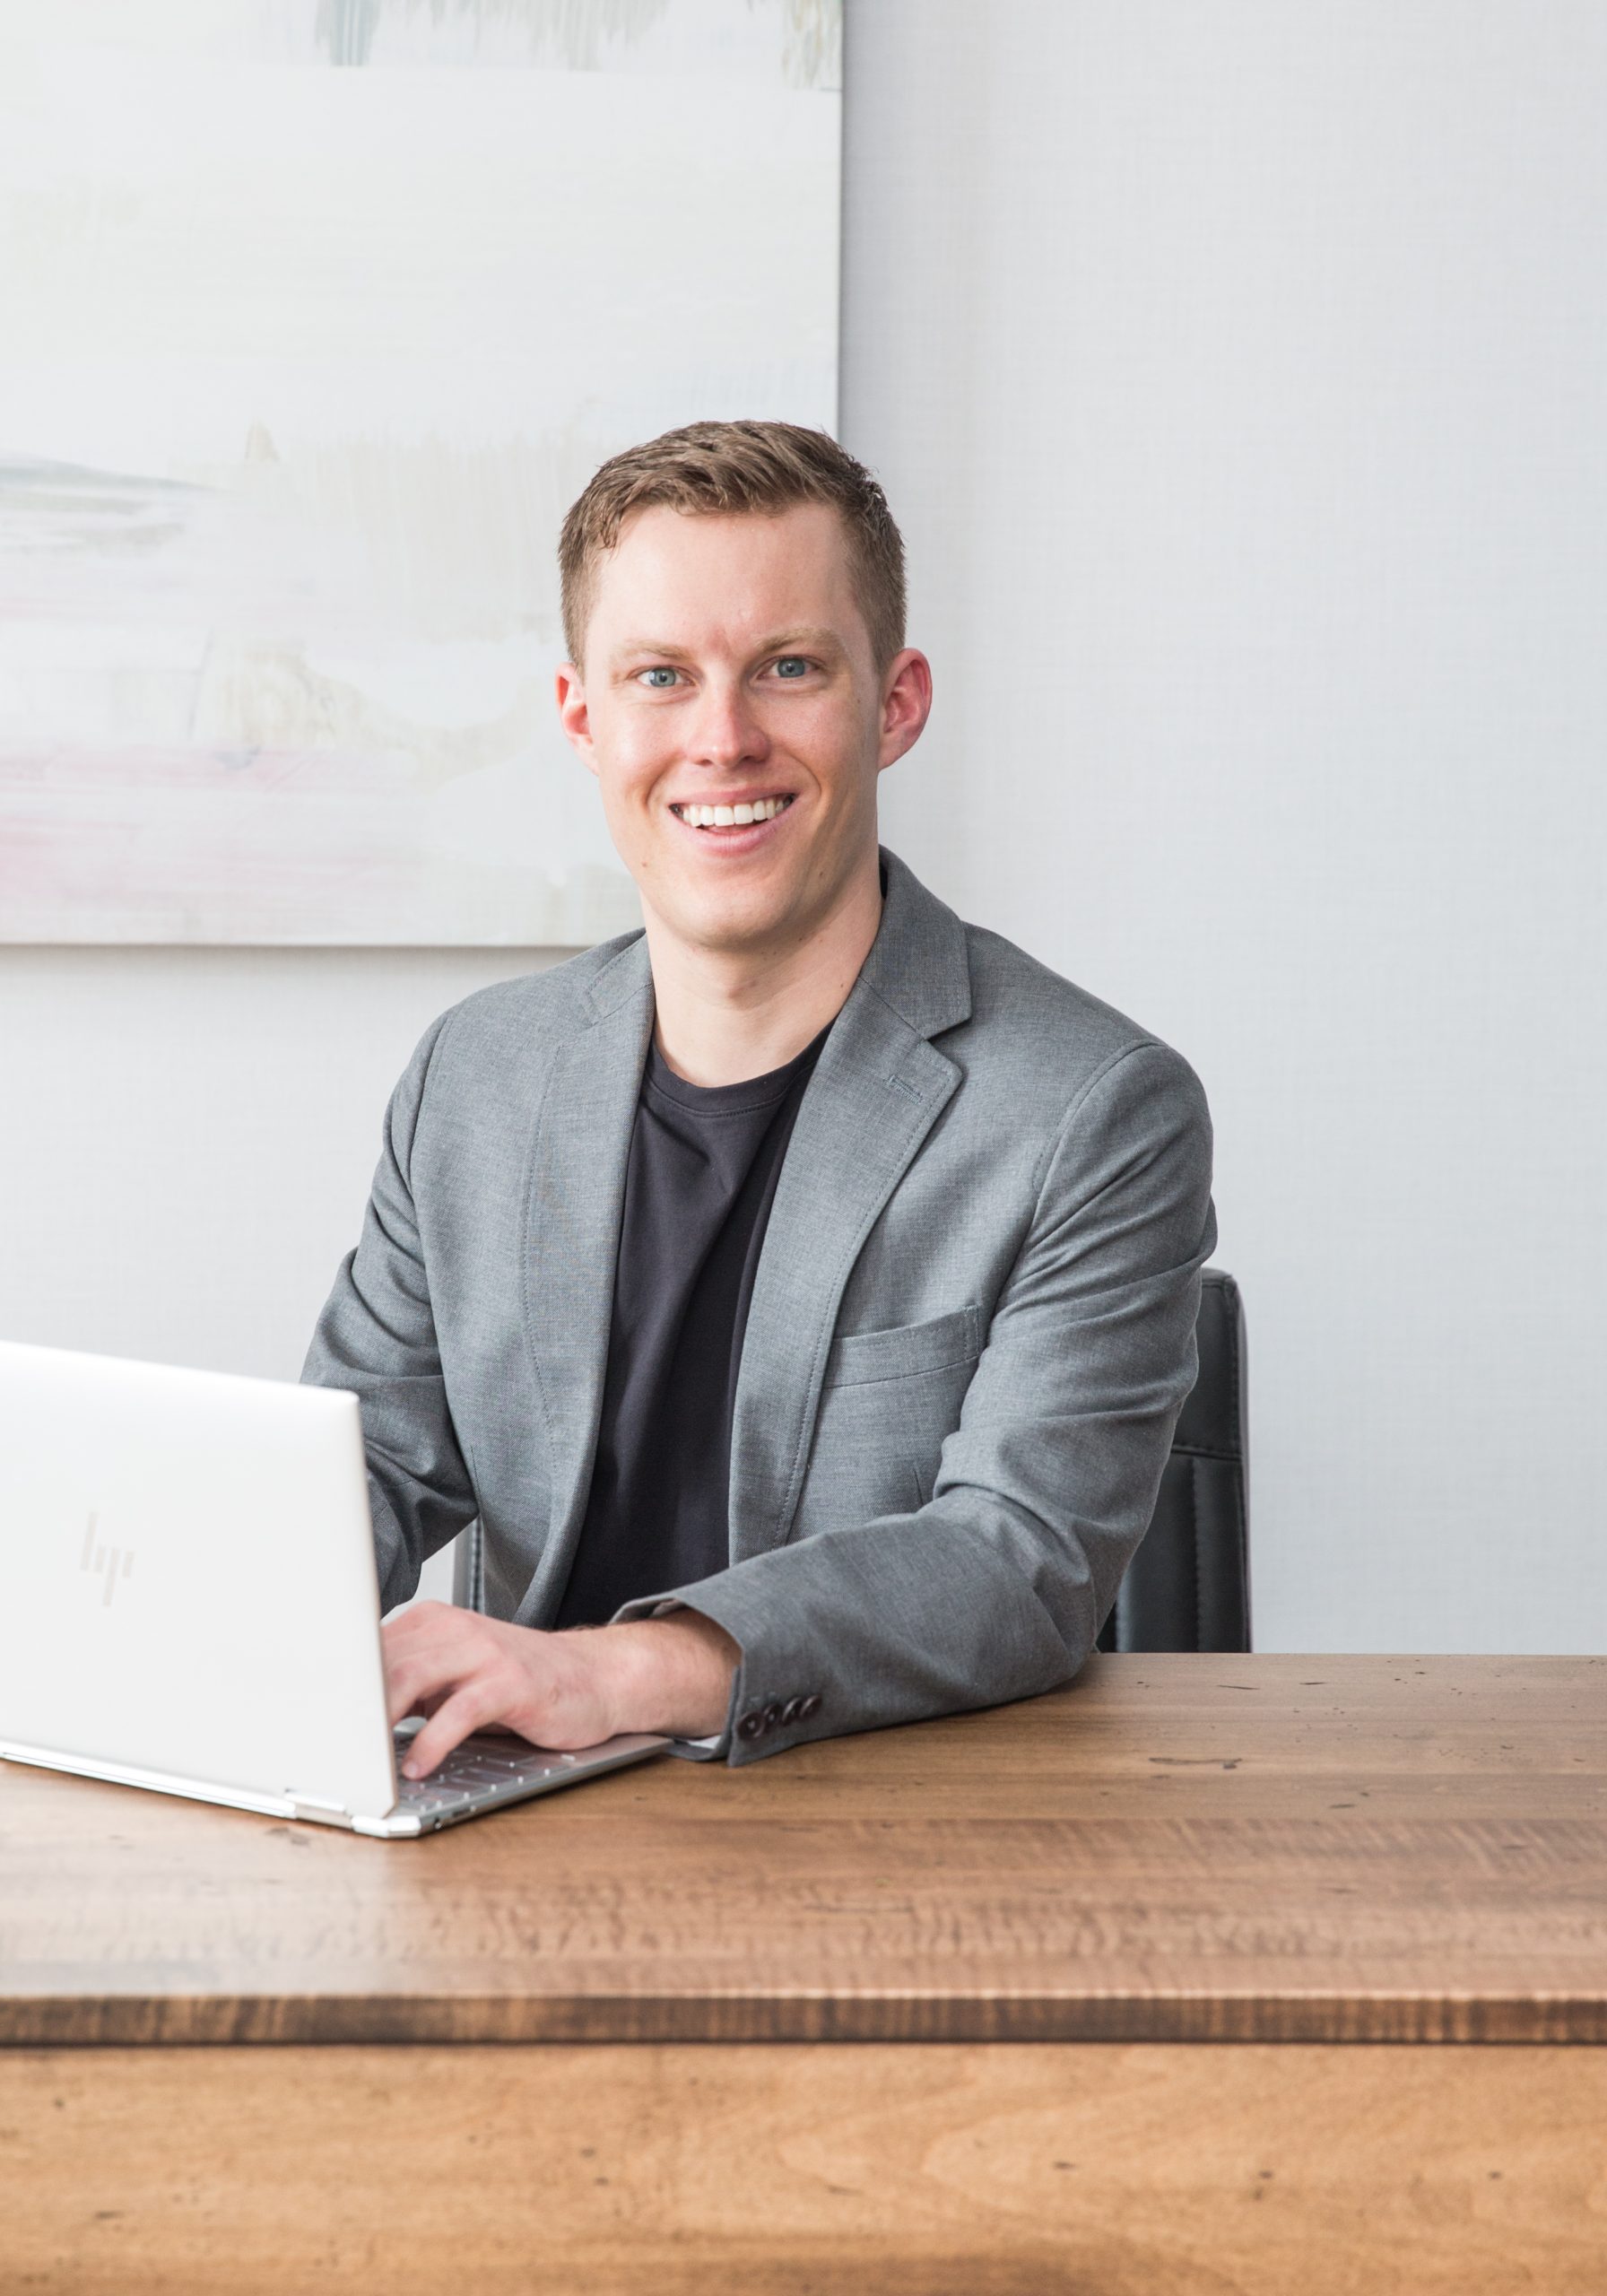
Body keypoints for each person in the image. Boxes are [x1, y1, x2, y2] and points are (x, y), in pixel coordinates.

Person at [304, 420, 1215, 1780]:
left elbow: (1014, 1563)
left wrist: (605, 1669)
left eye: (787, 669)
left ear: (894, 703)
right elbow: (355, 1468)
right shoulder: (473, 1080)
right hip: (507, 1828)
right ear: (584, 720)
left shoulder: (1091, 1110)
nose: (721, 740)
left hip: (894, 1837)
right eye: (660, 677)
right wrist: (180, 1625)